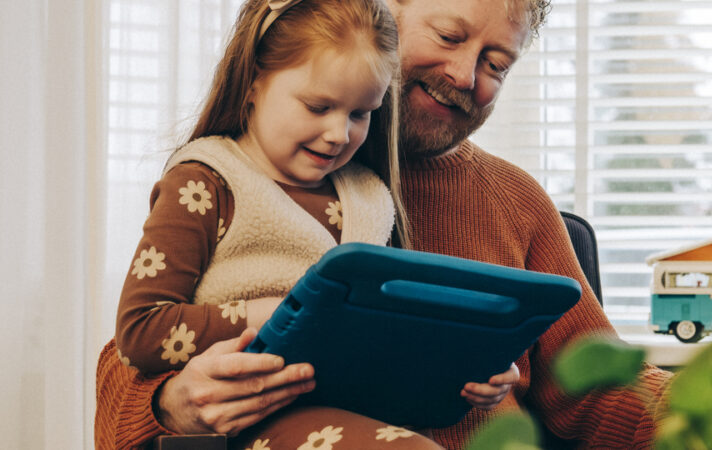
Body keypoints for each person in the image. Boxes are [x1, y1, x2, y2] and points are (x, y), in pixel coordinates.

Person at [96, 0, 712, 448]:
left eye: (497, 63)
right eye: (449, 35)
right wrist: (171, 402)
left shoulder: (512, 201)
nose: (467, 75)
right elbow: (134, 351)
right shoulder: (237, 180)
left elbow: (598, 381)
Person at [102, 0, 514, 448]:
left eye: (361, 114)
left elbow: (392, 334)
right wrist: (274, 312)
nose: (340, 133)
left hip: (370, 417)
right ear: (254, 81)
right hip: (256, 421)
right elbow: (139, 331)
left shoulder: (372, 196)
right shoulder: (205, 183)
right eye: (318, 106)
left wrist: (473, 361)